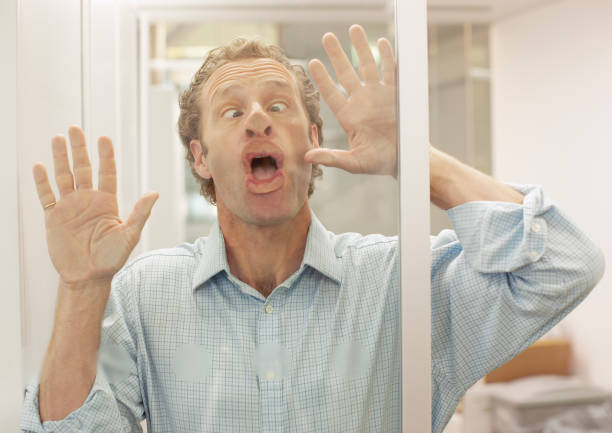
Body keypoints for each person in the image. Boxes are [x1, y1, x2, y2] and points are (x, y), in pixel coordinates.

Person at [20, 25, 604, 433]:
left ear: (313, 141)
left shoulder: (401, 283)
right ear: (200, 158)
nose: (256, 119)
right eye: (232, 110)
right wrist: (80, 289)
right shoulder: (144, 296)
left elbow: (562, 265)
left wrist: (413, 158)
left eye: (278, 106)